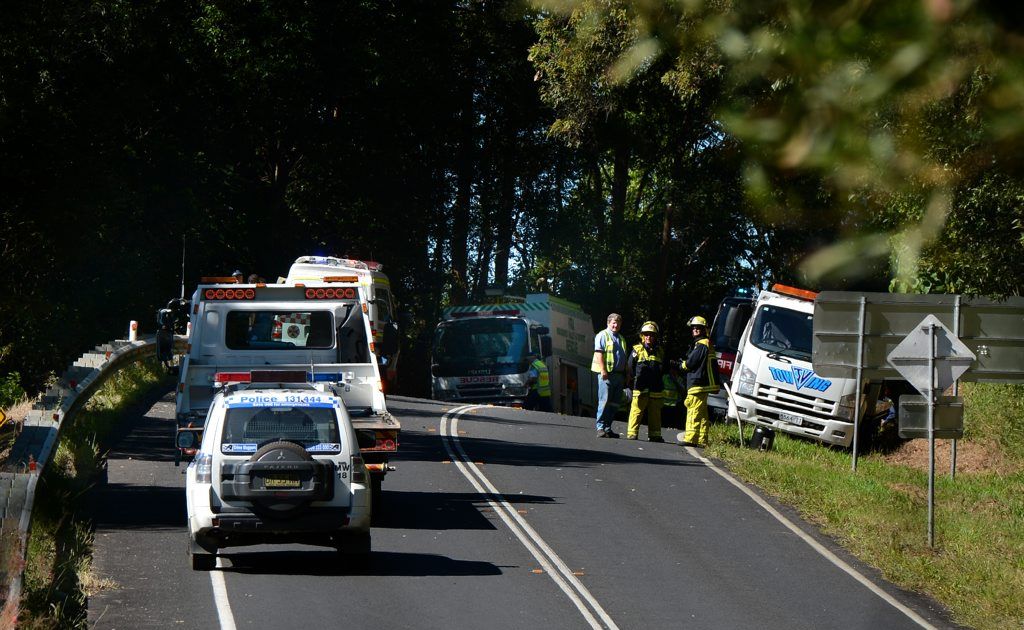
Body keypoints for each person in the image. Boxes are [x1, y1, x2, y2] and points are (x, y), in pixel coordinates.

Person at [679, 315, 720, 447]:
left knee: (693, 411)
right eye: (694, 328)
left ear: (704, 330)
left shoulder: (701, 345)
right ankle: (702, 439)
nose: (695, 330)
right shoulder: (706, 343)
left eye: (698, 328)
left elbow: (691, 363)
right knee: (702, 413)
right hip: (703, 384)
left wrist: (681, 365)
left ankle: (691, 438)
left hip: (698, 383)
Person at [626, 321, 667, 441]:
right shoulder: (637, 350)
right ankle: (632, 433)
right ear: (642, 336)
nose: (649, 337)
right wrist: (632, 381)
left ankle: (655, 435)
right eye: (646, 334)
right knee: (636, 410)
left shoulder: (660, 351)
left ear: (655, 337)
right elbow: (629, 367)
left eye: (651, 335)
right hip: (640, 386)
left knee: (655, 412)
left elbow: (663, 369)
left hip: (655, 387)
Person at [592, 313, 628, 438]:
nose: (616, 325)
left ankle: (608, 428)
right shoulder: (602, 335)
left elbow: (623, 357)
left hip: (618, 375)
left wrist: (627, 373)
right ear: (608, 323)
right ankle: (600, 428)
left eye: (618, 323)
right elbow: (599, 353)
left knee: (614, 403)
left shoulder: (621, 338)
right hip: (607, 374)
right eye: (613, 322)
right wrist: (603, 370)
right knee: (604, 401)